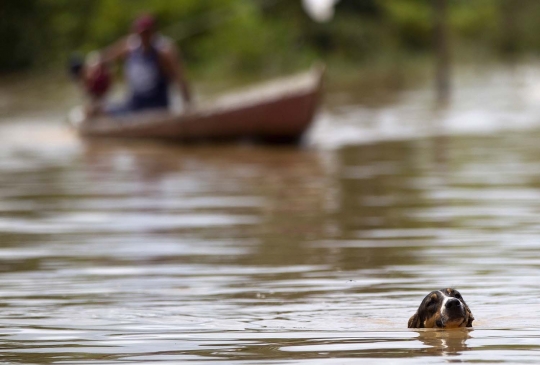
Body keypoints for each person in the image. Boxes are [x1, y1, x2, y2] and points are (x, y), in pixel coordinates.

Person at [90, 14, 192, 115]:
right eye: (141, 33)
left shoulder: (163, 53)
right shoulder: (130, 47)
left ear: (153, 32)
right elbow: (105, 57)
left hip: (157, 105)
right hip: (135, 103)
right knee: (95, 111)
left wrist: (188, 104)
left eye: (147, 33)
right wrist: (96, 66)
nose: (144, 37)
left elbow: (180, 78)